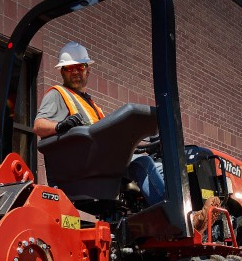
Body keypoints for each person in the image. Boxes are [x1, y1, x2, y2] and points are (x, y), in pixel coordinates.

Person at [34, 41, 166, 205]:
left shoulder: (91, 104)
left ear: (88, 70)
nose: (75, 72)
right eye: (69, 68)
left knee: (161, 167)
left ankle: (184, 215)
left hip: (99, 160)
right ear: (62, 72)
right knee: (144, 163)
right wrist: (60, 126)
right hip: (83, 168)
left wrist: (143, 146)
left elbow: (107, 138)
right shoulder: (57, 94)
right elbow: (38, 126)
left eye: (79, 67)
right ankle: (173, 218)